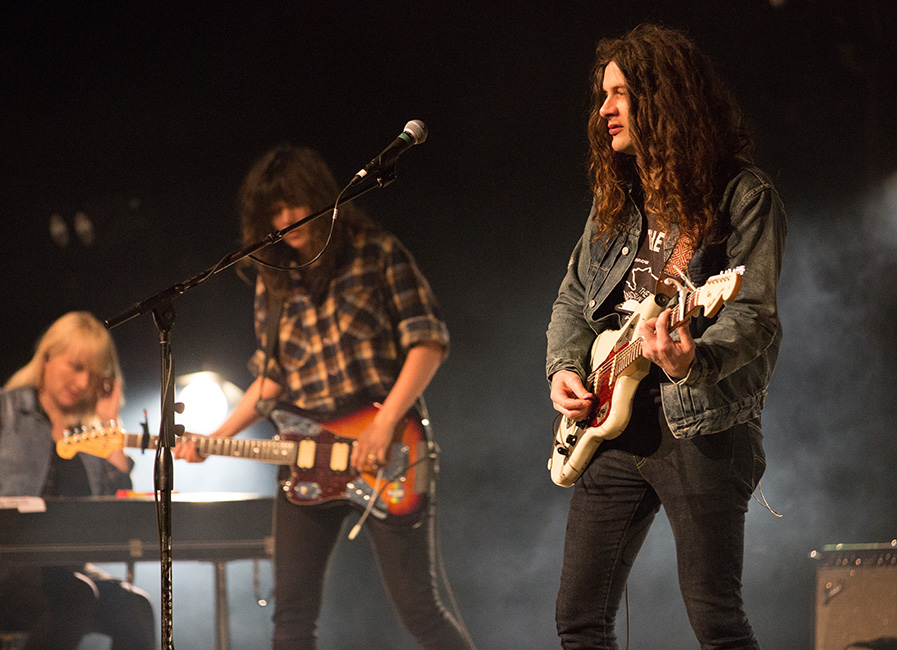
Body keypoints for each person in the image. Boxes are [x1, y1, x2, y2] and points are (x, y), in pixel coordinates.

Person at [176, 144, 475, 650]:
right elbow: (271, 381)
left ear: (320, 197)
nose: (288, 219)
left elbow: (428, 342)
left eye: (295, 203)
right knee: (291, 613)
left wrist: (384, 424)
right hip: (306, 457)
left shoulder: (376, 252)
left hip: (387, 445)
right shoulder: (273, 284)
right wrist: (213, 439)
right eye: (275, 211)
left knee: (419, 609)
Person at [546, 25, 786, 649]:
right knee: (578, 619)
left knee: (716, 622)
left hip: (701, 425)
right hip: (612, 426)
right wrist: (566, 369)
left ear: (663, 99)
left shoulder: (743, 194)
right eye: (604, 95)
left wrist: (690, 362)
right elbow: (574, 298)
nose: (604, 111)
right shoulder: (618, 202)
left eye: (620, 94)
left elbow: (754, 314)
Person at [0, 311, 155, 650]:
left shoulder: (91, 435)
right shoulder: (7, 412)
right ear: (47, 359)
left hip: (66, 570)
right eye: (75, 366)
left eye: (94, 374)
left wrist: (111, 425)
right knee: (76, 596)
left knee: (137, 607)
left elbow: (114, 512)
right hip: (9, 567)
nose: (83, 383)